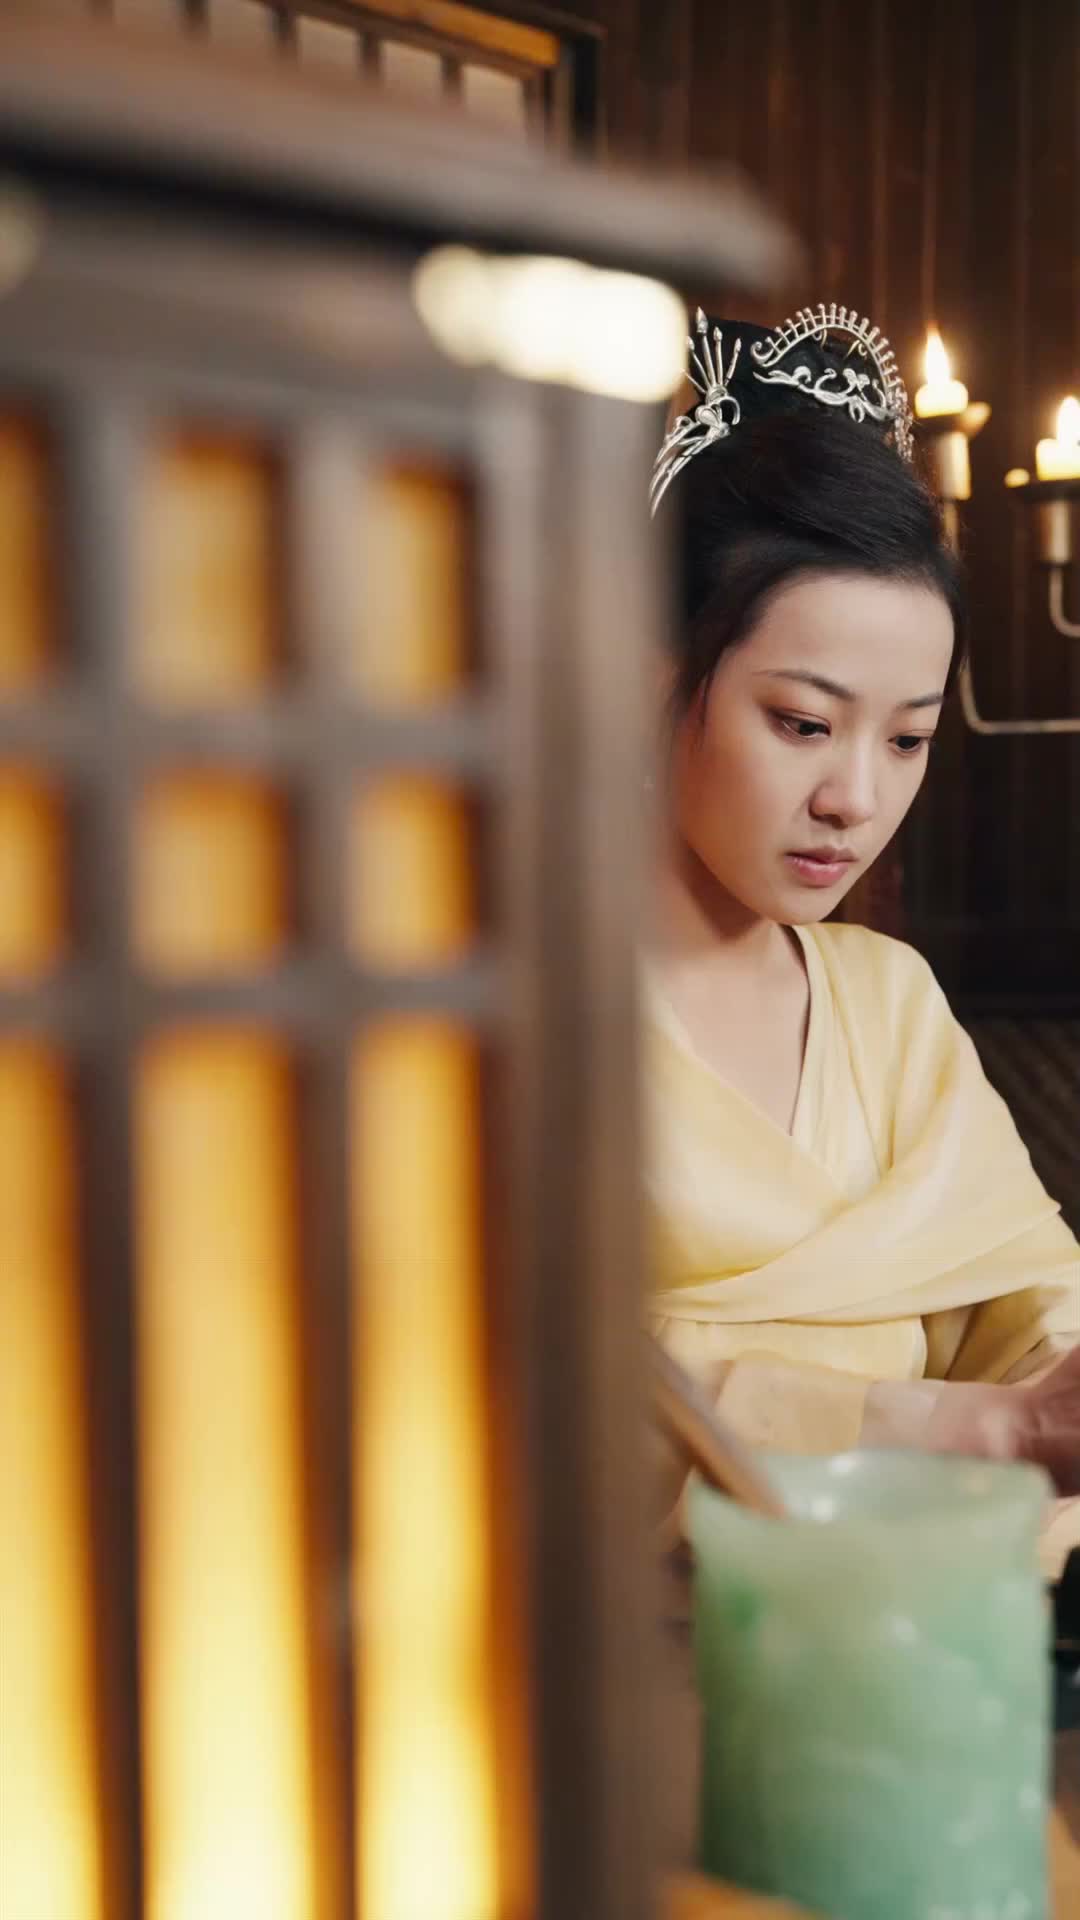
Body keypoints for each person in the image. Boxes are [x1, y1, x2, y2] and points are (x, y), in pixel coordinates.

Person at [645, 307, 1079, 1533]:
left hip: (919, 1601)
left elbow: (1036, 1316)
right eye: (803, 723)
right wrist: (979, 1432)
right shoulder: (509, 1013)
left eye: (908, 738)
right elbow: (528, 1389)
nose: (857, 797)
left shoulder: (886, 1003)